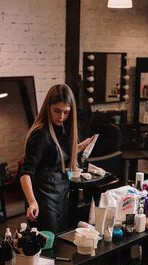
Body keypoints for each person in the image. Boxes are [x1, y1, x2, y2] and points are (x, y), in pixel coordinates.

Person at [20, 83, 94, 234]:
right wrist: (32, 202)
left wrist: (79, 147)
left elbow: (55, 154)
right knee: (48, 248)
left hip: (61, 195)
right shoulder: (40, 134)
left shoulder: (63, 128)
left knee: (60, 244)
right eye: (57, 111)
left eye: (66, 112)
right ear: (48, 107)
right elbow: (25, 173)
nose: (61, 117)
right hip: (43, 200)